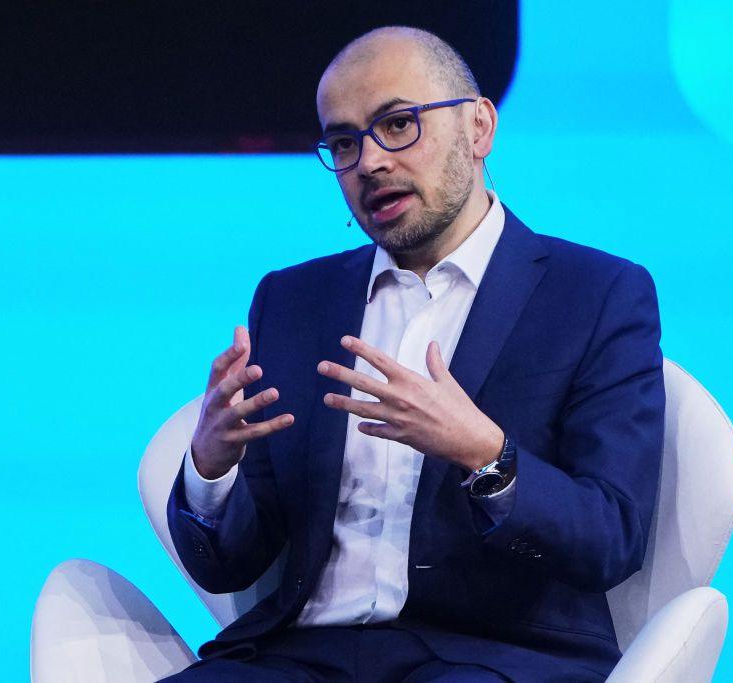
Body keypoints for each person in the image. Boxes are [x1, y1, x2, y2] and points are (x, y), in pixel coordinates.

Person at [160, 25, 665, 682]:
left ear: (479, 128)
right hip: (303, 656)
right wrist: (211, 467)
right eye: (344, 141)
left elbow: (612, 533)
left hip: (492, 656)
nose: (369, 161)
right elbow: (228, 565)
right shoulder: (294, 301)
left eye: (398, 124)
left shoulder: (595, 294)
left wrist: (487, 453)